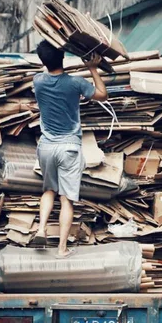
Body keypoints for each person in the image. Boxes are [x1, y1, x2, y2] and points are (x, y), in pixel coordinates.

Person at [32, 40, 107, 258]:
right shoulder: (76, 83)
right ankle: (62, 249)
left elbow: (47, 67)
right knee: (66, 199)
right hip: (69, 148)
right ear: (63, 57)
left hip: (46, 146)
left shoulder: (37, 82)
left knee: (48, 191)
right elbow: (102, 94)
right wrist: (91, 67)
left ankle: (40, 228)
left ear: (43, 61)